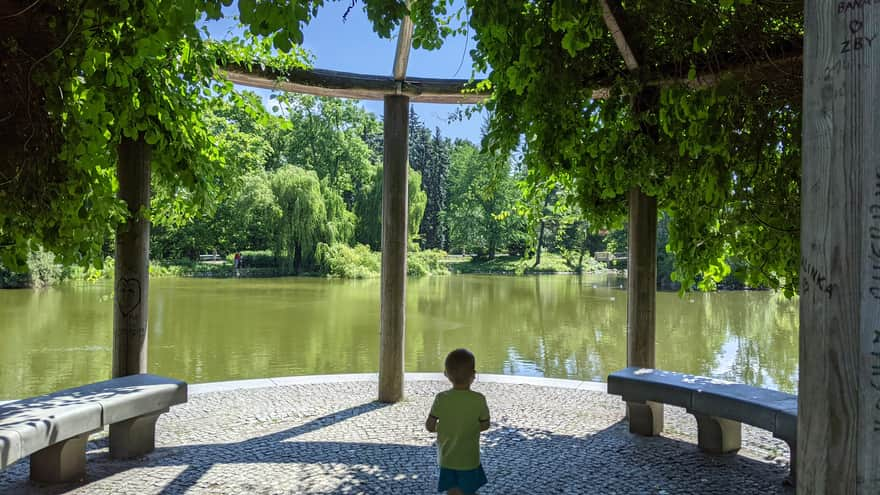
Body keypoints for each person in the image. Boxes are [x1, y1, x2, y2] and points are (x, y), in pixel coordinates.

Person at [425, 348, 491, 495]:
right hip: (469, 459)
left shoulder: (441, 398)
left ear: (446, 374)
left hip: (447, 458)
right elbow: (485, 424)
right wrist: (467, 427)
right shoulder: (478, 399)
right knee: (468, 491)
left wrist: (447, 427)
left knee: (452, 491)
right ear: (473, 375)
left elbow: (429, 426)